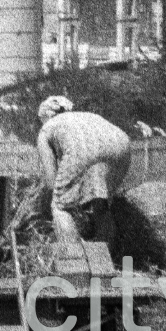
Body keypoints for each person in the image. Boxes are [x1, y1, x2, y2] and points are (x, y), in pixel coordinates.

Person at [33, 95, 134, 245]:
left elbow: (50, 182)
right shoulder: (86, 116)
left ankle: (74, 260)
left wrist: (49, 206)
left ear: (45, 116)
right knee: (100, 202)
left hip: (83, 150)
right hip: (122, 146)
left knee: (60, 207)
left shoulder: (47, 129)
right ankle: (103, 259)